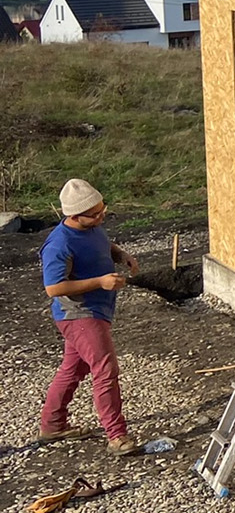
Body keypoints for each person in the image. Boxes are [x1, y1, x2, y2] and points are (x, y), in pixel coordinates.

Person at [38, 178, 139, 453]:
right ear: (74, 216)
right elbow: (53, 288)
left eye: (102, 210)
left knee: (74, 368)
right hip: (79, 314)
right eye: (95, 214)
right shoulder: (59, 245)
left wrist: (121, 254)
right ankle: (116, 436)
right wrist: (100, 282)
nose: (101, 217)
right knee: (106, 370)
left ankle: (52, 425)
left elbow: (103, 243)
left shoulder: (92, 226)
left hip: (95, 311)